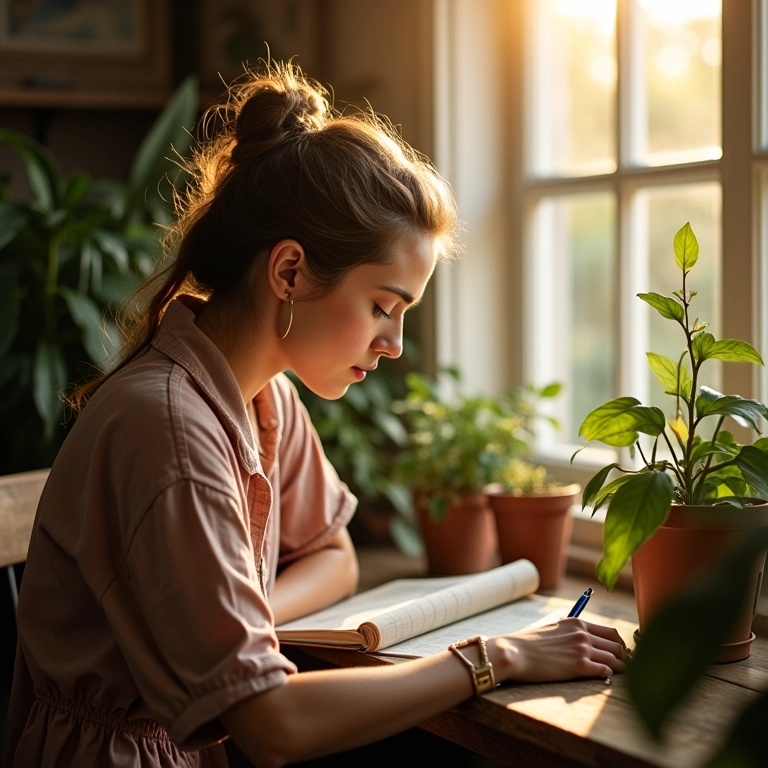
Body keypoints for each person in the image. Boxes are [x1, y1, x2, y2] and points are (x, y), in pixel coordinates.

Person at [6, 62, 628, 768]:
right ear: (291, 272)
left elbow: (335, 556)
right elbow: (272, 727)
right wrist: (494, 658)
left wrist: (227, 624)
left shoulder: (266, 396)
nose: (393, 344)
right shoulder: (169, 429)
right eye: (383, 307)